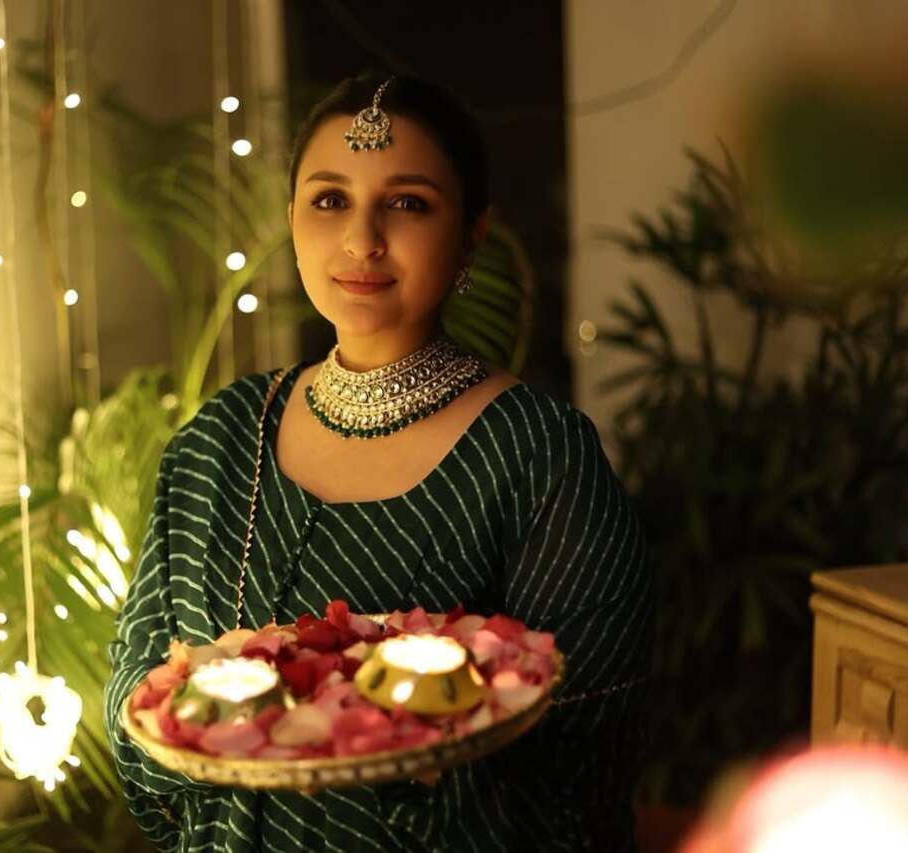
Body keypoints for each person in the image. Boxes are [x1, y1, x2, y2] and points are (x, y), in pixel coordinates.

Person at [104, 72, 653, 852]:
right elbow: (136, 694)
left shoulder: (538, 454)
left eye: (408, 203)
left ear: (472, 235)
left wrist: (396, 775)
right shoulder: (219, 441)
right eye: (330, 199)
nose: (362, 240)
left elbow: (584, 751)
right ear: (291, 218)